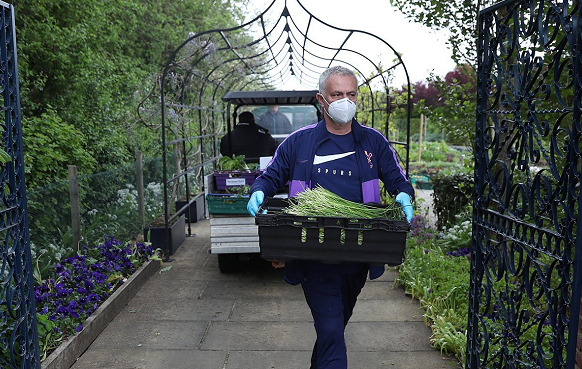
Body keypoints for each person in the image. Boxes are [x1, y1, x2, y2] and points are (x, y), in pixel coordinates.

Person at [246, 66, 414, 369]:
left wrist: (404, 195)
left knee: (332, 332)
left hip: (358, 253)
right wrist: (259, 191)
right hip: (314, 252)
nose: (345, 101)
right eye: (337, 94)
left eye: (351, 94)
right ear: (321, 99)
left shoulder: (373, 142)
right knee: (332, 330)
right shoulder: (300, 141)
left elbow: (396, 179)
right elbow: (270, 176)